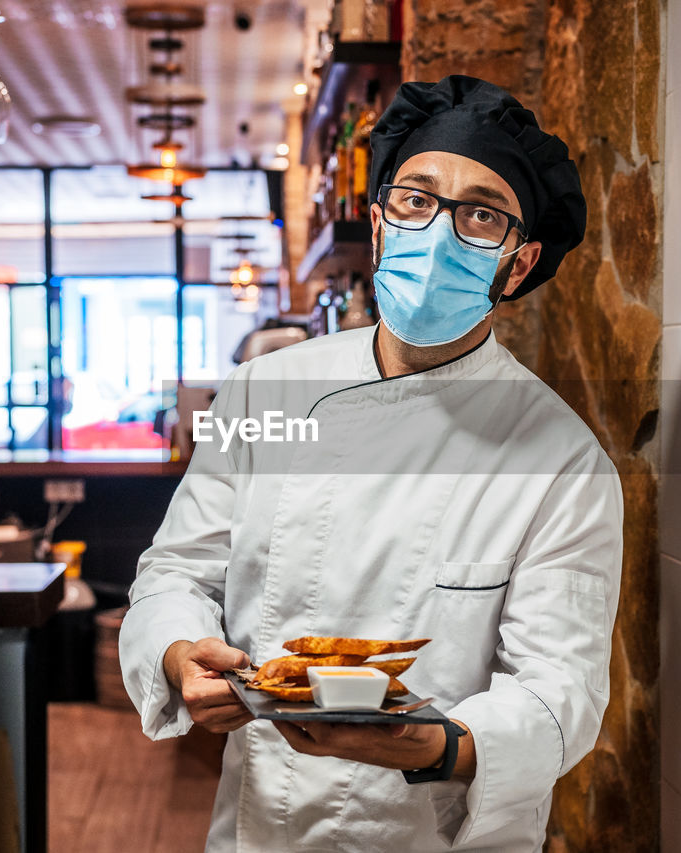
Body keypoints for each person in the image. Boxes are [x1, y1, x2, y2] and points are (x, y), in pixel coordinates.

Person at [120, 75, 624, 851]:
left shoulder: (560, 462)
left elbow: (560, 693)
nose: (440, 233)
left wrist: (429, 743)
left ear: (517, 266)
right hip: (264, 824)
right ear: (380, 221)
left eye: (481, 215)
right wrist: (181, 651)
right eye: (417, 199)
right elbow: (176, 573)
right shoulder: (266, 391)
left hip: (433, 834)